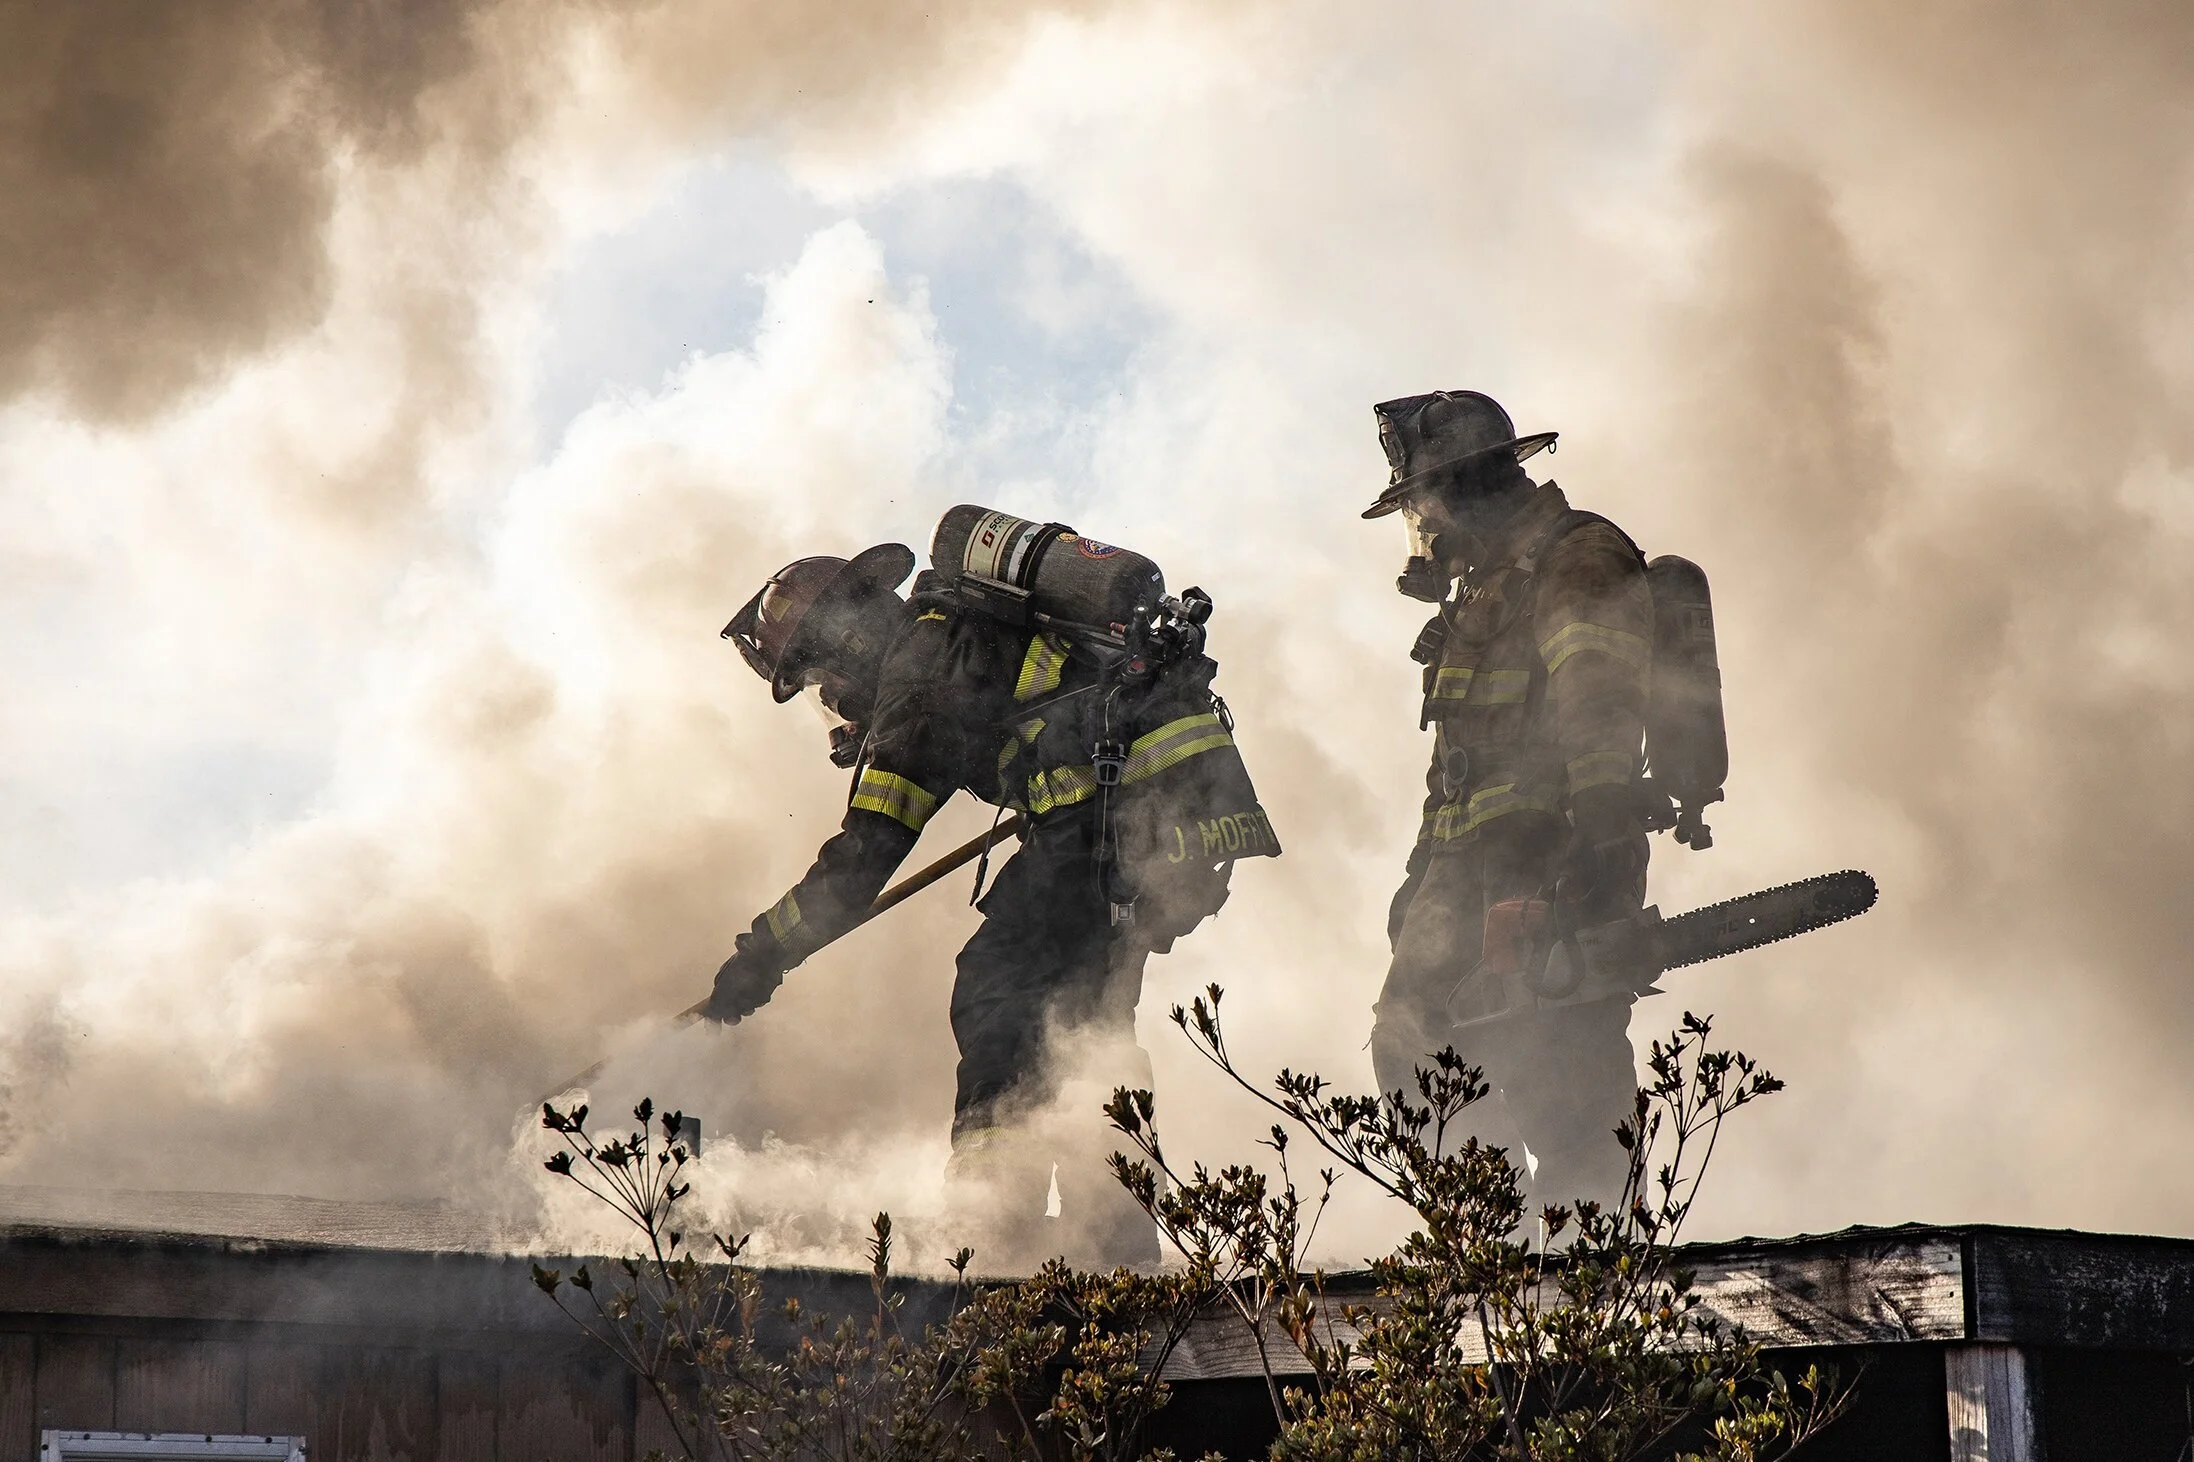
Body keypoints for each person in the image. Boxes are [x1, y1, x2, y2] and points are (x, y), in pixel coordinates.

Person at [709, 535, 1274, 1267]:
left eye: (822, 679)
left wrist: (761, 957)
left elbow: (862, 859)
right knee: (1088, 1027)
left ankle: (990, 1232)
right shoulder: (958, 638)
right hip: (1180, 815)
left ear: (847, 642)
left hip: (1115, 824)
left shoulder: (916, 686)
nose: (835, 702)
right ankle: (1116, 1250)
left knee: (996, 994)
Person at [1364, 390, 1653, 1211]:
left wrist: (1590, 859)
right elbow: (1455, 764)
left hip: (1553, 857)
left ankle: (1580, 1277)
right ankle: (1492, 1255)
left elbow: (1597, 701)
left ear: (1465, 487)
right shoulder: (1486, 592)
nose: (1423, 527)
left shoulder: (1577, 555)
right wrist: (1422, 874)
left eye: (1423, 504)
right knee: (1414, 1042)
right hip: (1466, 872)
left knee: (1562, 1068)